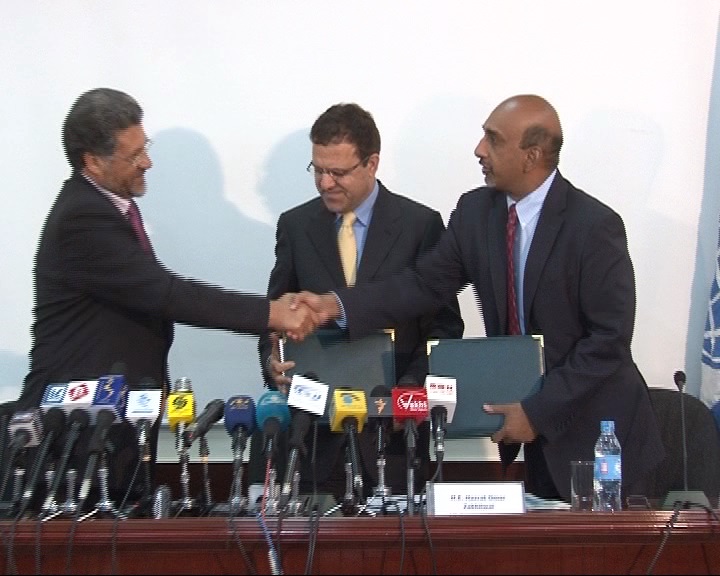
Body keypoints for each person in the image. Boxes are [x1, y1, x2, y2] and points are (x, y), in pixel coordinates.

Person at [294, 94, 666, 503]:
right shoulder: (476, 213)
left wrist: (538, 411)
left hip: (599, 438)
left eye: (493, 139)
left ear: (532, 155)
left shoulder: (594, 226)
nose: (479, 149)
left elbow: (609, 340)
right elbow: (422, 285)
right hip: (535, 440)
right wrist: (336, 305)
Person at [13, 87, 318, 507]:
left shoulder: (110, 208)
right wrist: (272, 314)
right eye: (134, 154)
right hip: (75, 434)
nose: (147, 162)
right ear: (92, 161)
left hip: (115, 426)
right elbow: (166, 294)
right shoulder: (82, 217)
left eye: (146, 147)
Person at [248, 102, 464, 503]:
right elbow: (274, 319)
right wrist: (271, 361)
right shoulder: (295, 226)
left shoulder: (420, 225)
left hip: (394, 438)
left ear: (372, 163)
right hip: (312, 439)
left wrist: (410, 392)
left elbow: (445, 328)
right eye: (317, 170)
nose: (325, 183)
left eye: (338, 172)